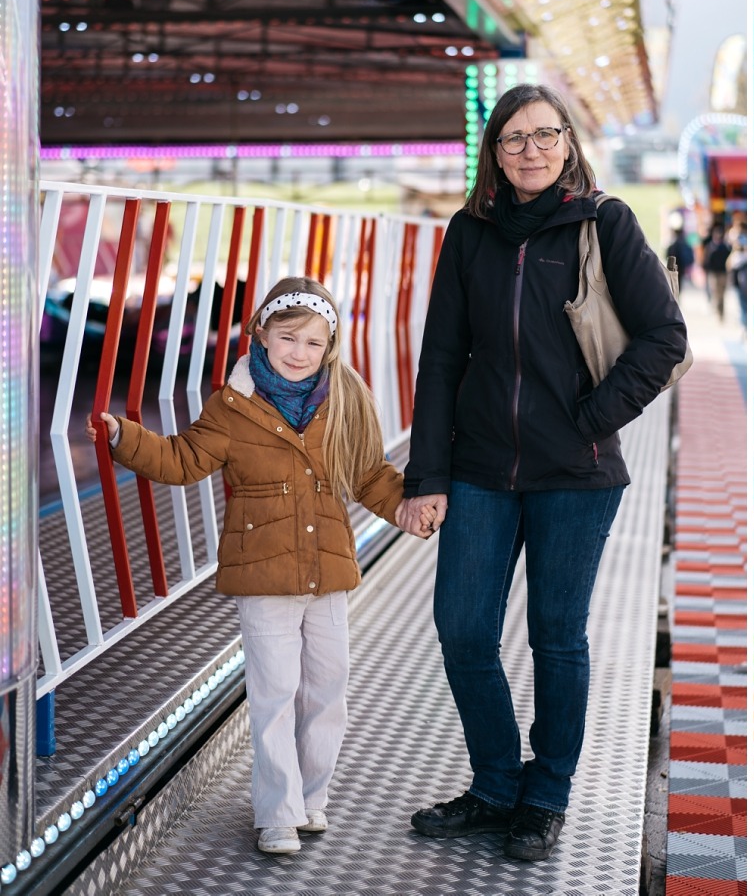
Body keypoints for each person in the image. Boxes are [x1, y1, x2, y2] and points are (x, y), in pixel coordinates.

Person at [400, 83, 688, 862]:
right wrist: (425, 474)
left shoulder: (605, 222)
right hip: (480, 468)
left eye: (543, 135)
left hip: (577, 473)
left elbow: (664, 336)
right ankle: (495, 785)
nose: (530, 150)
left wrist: (592, 419)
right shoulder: (470, 233)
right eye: (513, 139)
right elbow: (440, 359)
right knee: (463, 629)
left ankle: (546, 794)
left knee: (558, 638)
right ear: (493, 153)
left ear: (567, 141)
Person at [84, 276, 434, 856]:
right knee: (274, 692)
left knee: (327, 690)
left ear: (331, 348)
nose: (299, 352)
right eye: (288, 337)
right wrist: (127, 438)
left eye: (313, 343)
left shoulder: (345, 398)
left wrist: (403, 509)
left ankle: (311, 799)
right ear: (261, 336)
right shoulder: (233, 407)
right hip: (263, 577)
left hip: (327, 573)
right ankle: (277, 811)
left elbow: (369, 473)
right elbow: (183, 459)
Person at [703, 223, 732, 322]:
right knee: (716, 293)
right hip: (714, 274)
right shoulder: (711, 247)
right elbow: (706, 261)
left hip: (722, 274)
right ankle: (718, 312)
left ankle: (721, 312)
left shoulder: (724, 247)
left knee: (721, 294)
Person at [666, 227, 697, 295]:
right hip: (681, 266)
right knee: (678, 282)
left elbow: (668, 254)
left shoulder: (674, 243)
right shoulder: (684, 243)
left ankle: (676, 295)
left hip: (674, 266)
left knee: (674, 282)